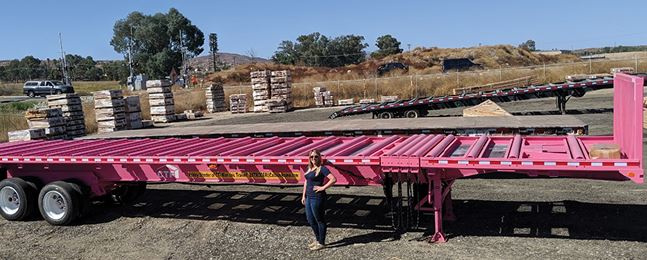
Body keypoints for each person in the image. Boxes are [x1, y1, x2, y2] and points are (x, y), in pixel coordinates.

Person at [301, 149, 336, 251]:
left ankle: (321, 242)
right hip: (308, 197)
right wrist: (303, 196)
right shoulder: (309, 168)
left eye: (316, 156)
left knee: (319, 220)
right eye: (311, 157)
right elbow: (306, 182)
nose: (313, 159)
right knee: (310, 220)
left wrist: (322, 188)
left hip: (317, 197)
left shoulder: (322, 169)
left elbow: (333, 179)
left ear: (319, 157)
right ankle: (317, 240)